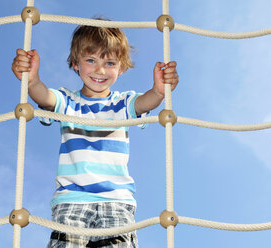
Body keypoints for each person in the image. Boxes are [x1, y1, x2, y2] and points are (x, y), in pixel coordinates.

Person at [11, 21, 179, 248]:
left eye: (109, 63)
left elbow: (143, 103)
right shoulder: (68, 101)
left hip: (116, 201)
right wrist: (32, 81)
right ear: (75, 63)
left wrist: (159, 91)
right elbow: (45, 99)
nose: (100, 70)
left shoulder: (122, 103)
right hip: (72, 200)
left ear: (121, 69)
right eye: (91, 60)